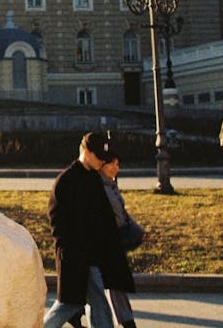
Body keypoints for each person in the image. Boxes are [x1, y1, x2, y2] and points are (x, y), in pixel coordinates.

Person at [42, 132, 134, 328]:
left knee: (77, 304)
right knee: (77, 304)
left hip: (91, 256)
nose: (102, 162)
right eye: (99, 157)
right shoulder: (66, 181)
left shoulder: (92, 178)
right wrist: (69, 250)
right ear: (86, 152)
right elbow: (56, 220)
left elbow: (104, 218)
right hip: (76, 256)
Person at [96, 151, 143, 328]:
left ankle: (125, 320)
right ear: (103, 165)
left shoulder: (111, 185)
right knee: (114, 282)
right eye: (113, 164)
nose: (117, 168)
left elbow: (122, 213)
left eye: (118, 164)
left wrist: (137, 230)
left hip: (116, 240)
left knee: (112, 283)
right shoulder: (99, 187)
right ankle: (127, 322)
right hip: (108, 242)